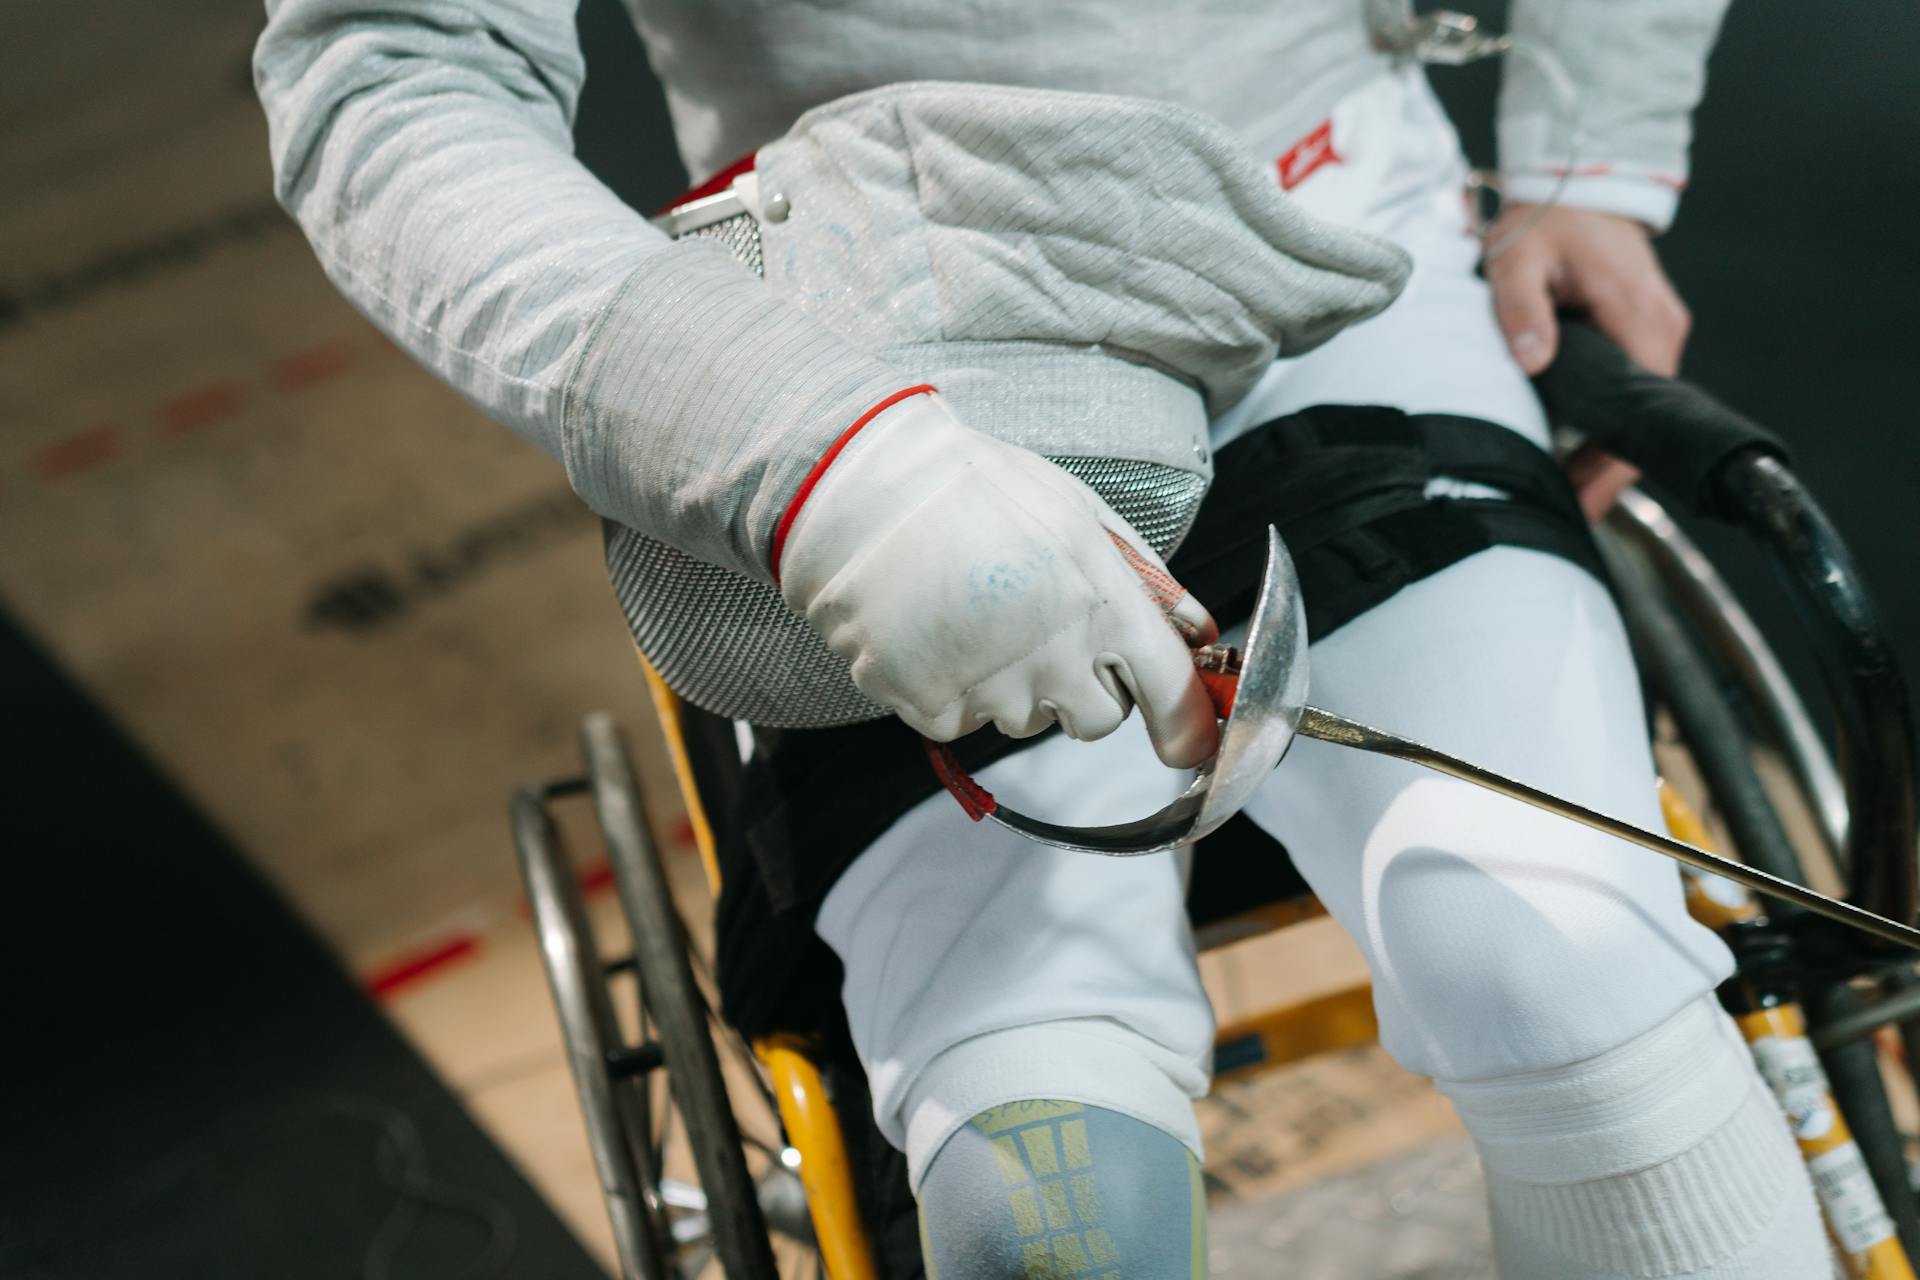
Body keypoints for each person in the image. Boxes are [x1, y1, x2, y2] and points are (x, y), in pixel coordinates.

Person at [255, 2, 1831, 1275]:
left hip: (1330, 241)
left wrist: (1595, 160)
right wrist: (827, 464)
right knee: (1048, 1183)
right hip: (885, 316)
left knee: (1580, 997)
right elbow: (388, 66)